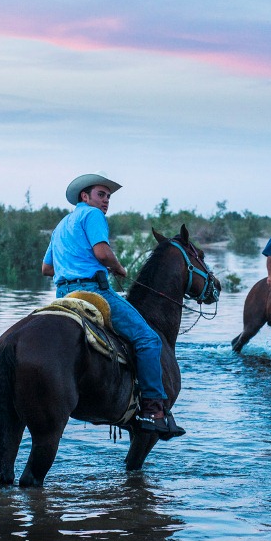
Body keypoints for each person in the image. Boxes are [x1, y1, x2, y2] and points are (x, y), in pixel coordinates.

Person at [42, 172, 184, 438]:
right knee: (148, 339)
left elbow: (46, 268)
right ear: (85, 196)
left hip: (62, 296)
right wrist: (118, 268)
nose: (106, 200)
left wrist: (71, 266)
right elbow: (102, 252)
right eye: (101, 194)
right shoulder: (93, 215)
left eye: (108, 196)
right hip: (93, 291)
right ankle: (154, 410)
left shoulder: (61, 225)